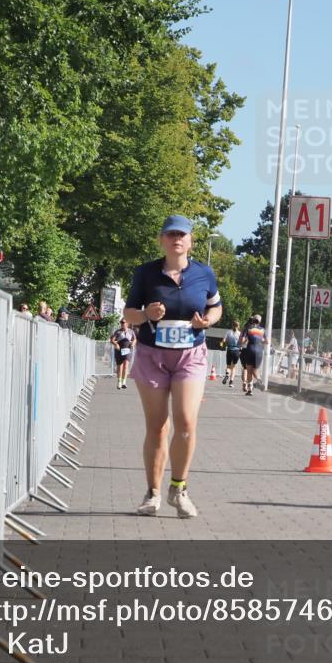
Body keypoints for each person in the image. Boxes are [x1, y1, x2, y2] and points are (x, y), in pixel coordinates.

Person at [123, 215, 222, 518]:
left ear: (191, 241)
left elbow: (215, 307)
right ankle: (152, 494)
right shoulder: (146, 273)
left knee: (186, 423)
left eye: (182, 235)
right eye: (170, 235)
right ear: (162, 240)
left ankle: (178, 489)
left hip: (189, 355)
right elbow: (129, 313)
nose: (176, 239)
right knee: (157, 426)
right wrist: (147, 314)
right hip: (153, 355)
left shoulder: (204, 274)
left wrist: (208, 320)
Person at [239, 314, 265, 396]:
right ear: (260, 321)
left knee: (248, 370)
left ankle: (249, 389)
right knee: (255, 370)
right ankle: (259, 379)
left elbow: (242, 340)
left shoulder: (248, 328)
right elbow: (267, 341)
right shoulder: (262, 330)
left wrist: (243, 342)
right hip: (259, 351)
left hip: (249, 350)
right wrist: (260, 341)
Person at [110, 318, 136, 389]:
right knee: (120, 367)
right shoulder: (117, 332)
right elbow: (112, 340)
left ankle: (124, 382)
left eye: (123, 322)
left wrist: (133, 343)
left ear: (127, 323)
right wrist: (116, 344)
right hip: (119, 351)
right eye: (121, 322)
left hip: (127, 350)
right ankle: (119, 382)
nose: (122, 324)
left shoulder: (131, 331)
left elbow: (134, 339)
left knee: (126, 366)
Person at [221, 320, 242, 387]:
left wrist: (222, 344)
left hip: (229, 350)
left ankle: (227, 375)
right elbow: (241, 342)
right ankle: (231, 382)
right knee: (233, 367)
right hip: (236, 351)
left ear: (232, 325)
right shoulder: (239, 333)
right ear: (238, 326)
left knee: (228, 365)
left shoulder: (228, 332)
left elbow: (223, 340)